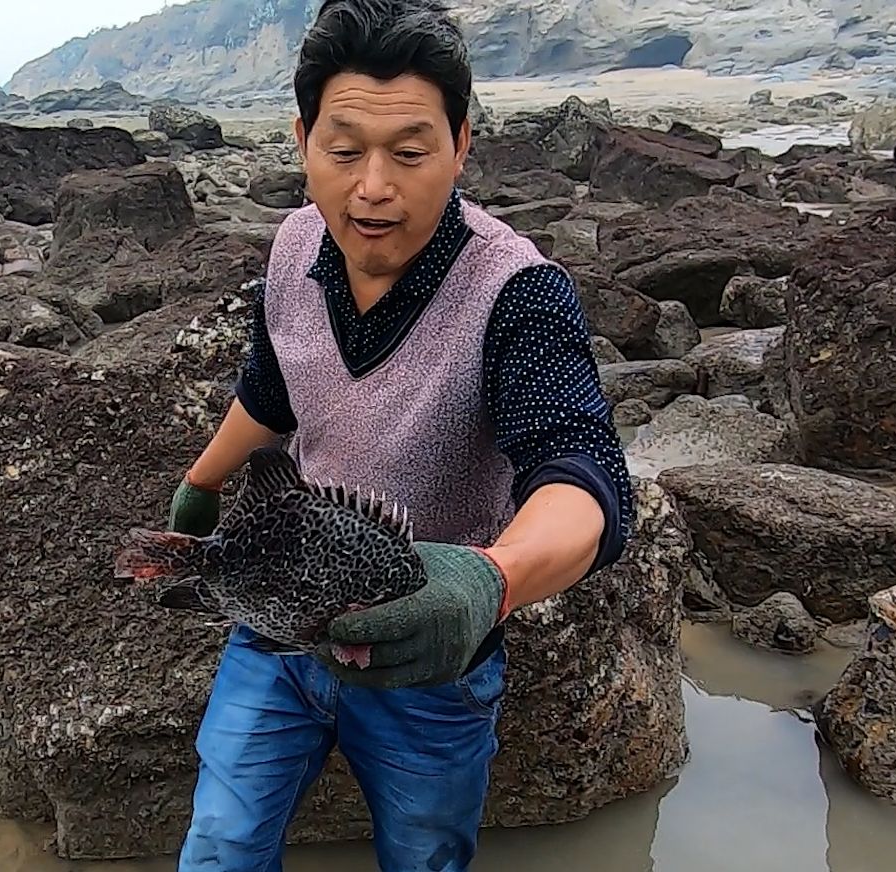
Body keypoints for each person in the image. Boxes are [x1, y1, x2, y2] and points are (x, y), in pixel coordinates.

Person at [167, 1, 634, 869]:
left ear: (461, 145)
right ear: (303, 139)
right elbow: (272, 393)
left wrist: (487, 584)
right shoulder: (294, 246)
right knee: (221, 843)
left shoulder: (517, 293)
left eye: (411, 153)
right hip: (276, 623)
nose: (373, 186)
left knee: (424, 858)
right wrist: (198, 489)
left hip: (431, 660)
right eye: (343, 151)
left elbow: (582, 473)